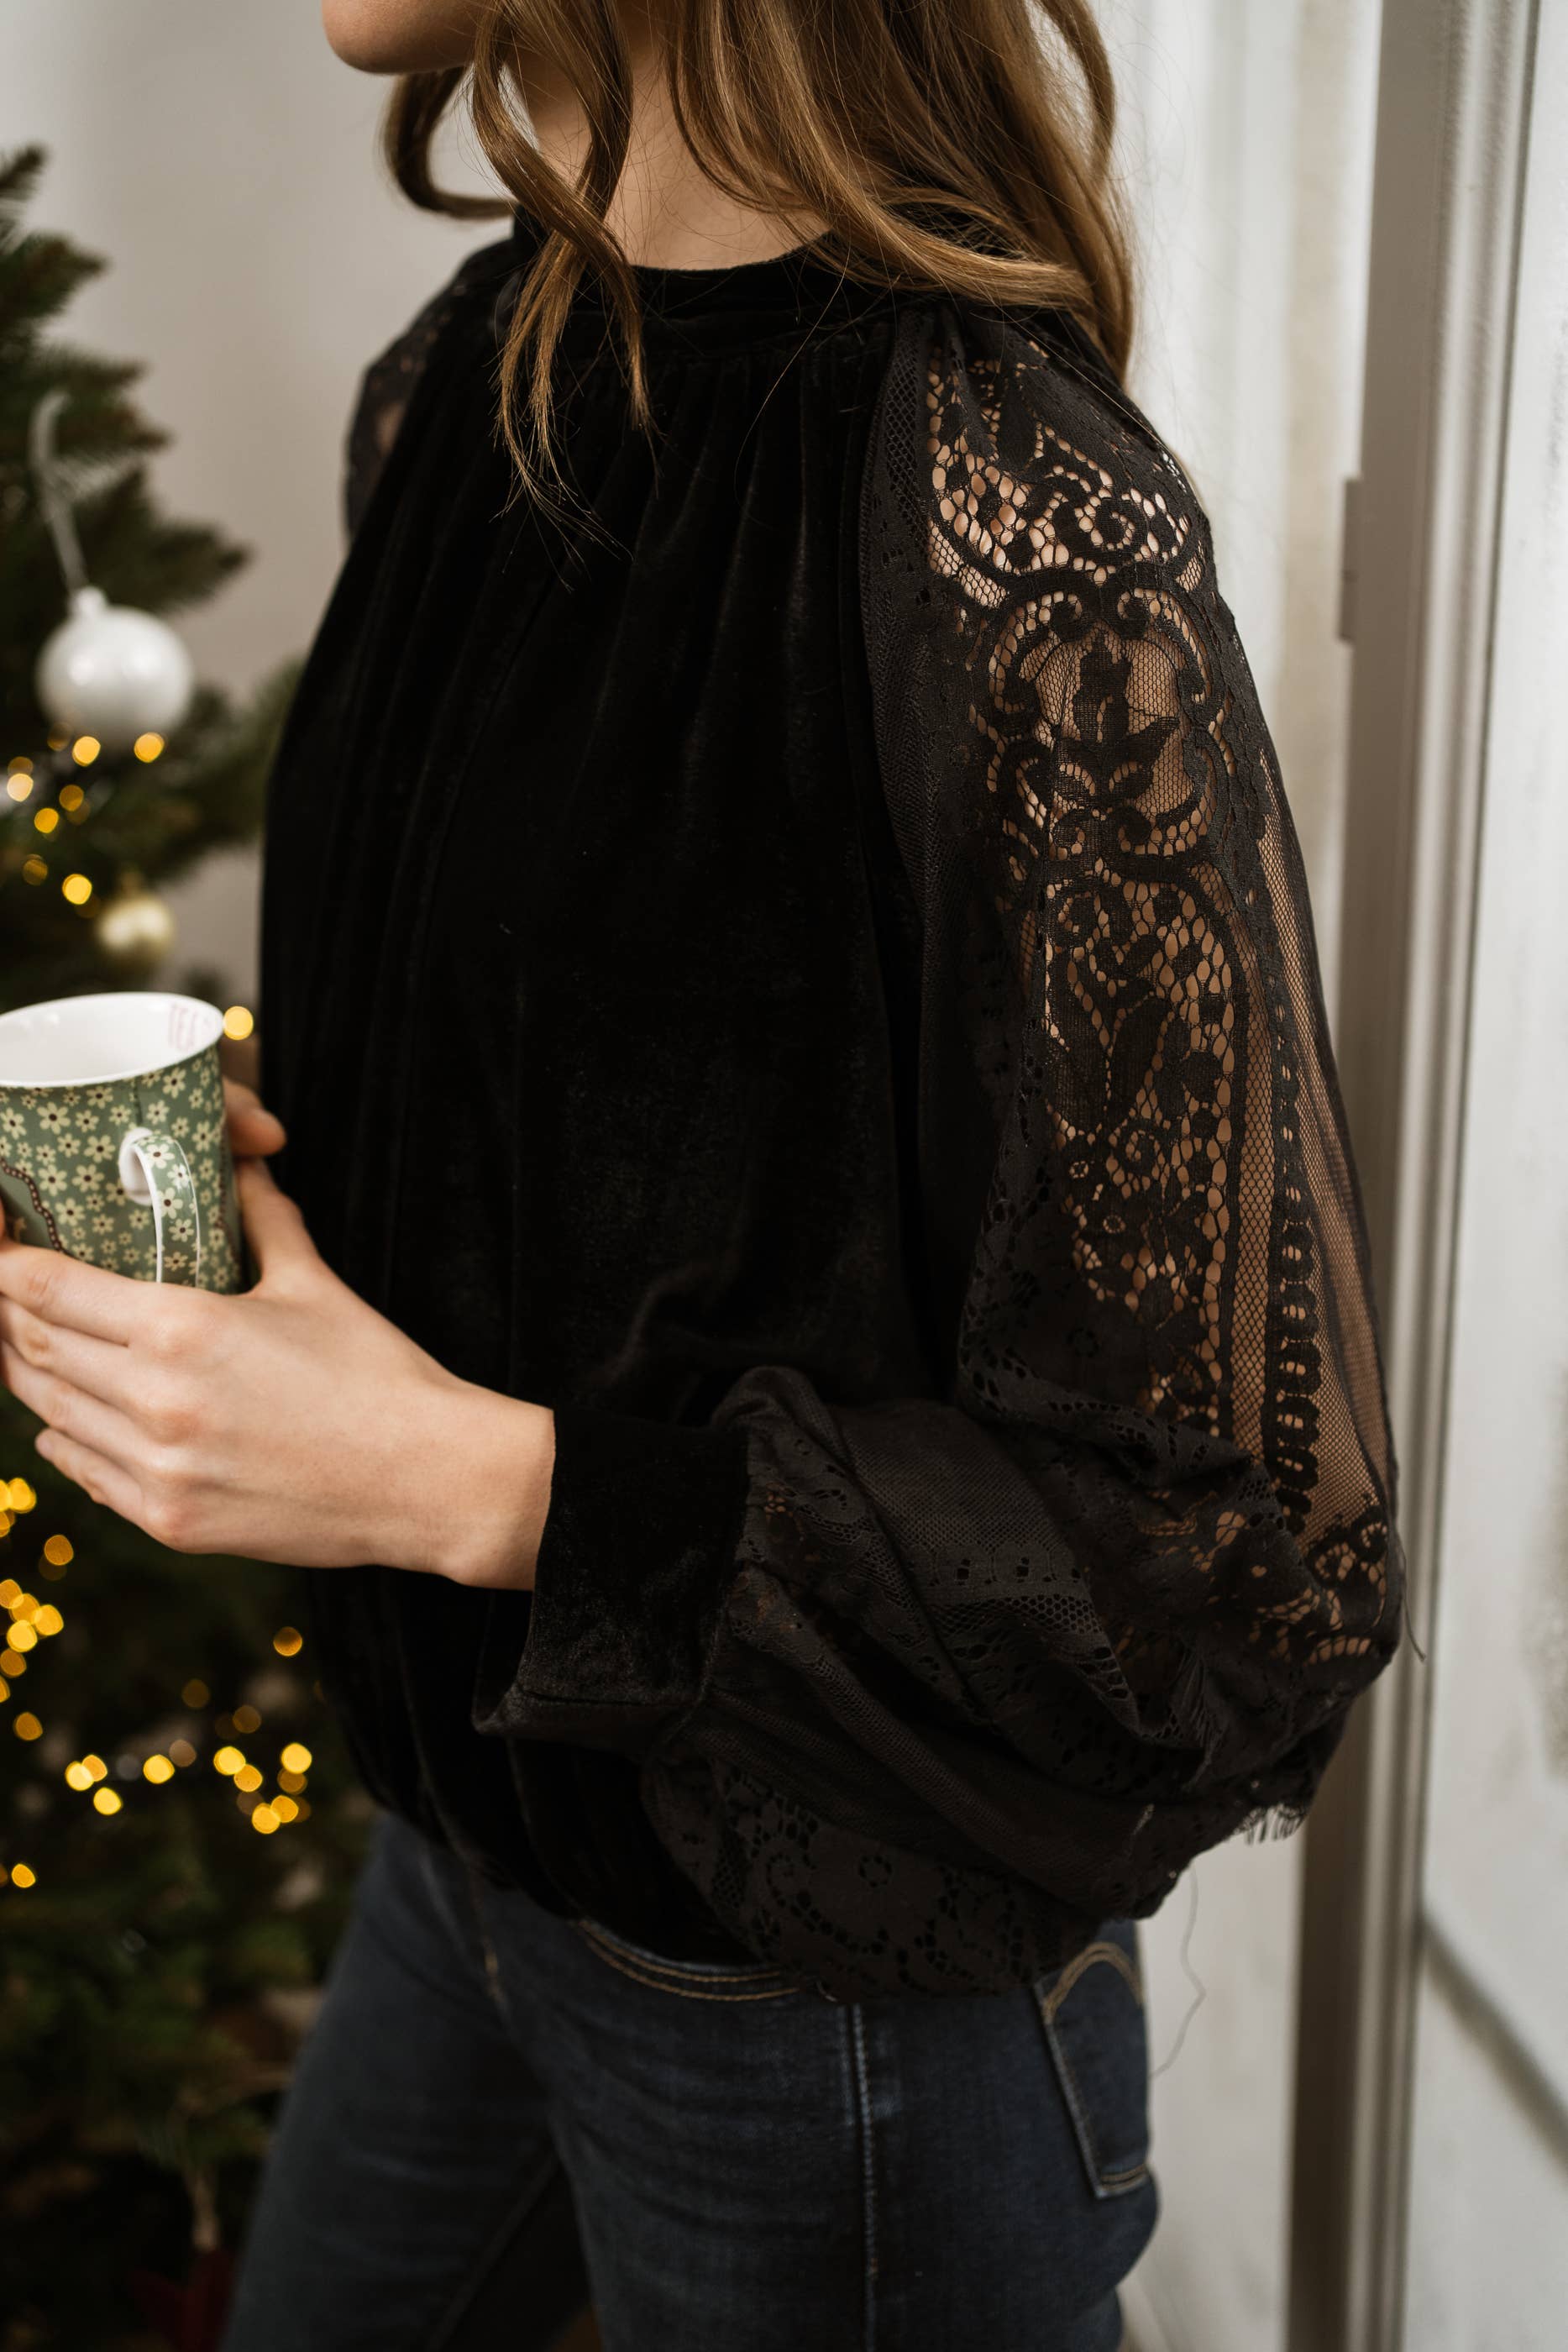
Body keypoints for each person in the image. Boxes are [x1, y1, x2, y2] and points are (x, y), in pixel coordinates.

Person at [0, 2, 1407, 2344]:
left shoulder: (1019, 523)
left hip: (827, 2001)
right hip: (457, 1865)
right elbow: (640, 1106)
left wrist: (492, 1488)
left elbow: (1240, 1564)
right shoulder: (464, 377)